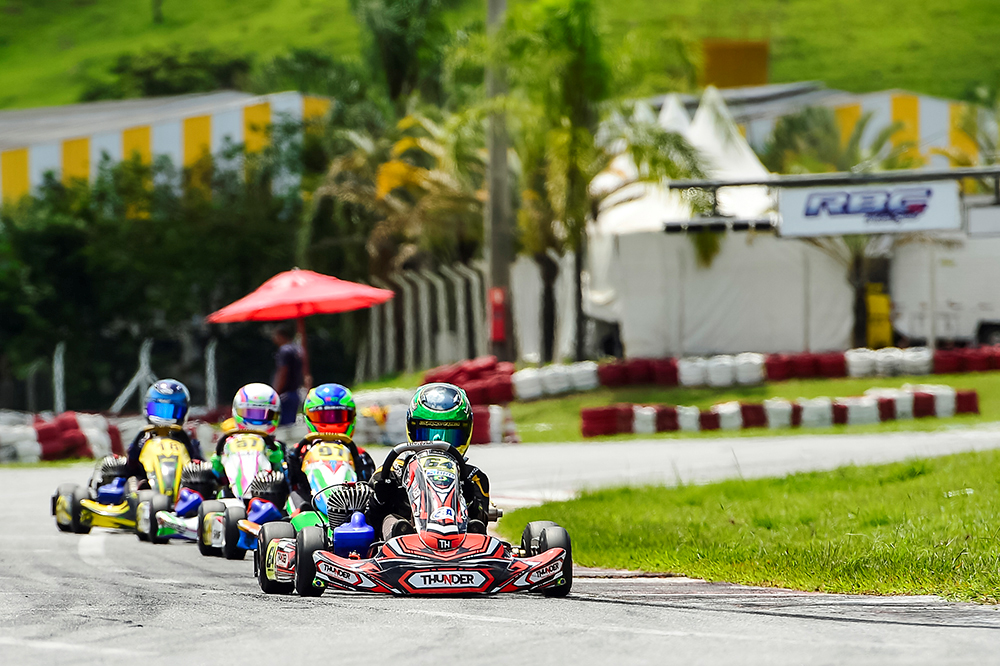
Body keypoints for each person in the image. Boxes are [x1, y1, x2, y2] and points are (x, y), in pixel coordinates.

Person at [369, 382, 491, 540]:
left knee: (476, 528)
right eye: (427, 432)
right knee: (391, 521)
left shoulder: (473, 477)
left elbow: (481, 520)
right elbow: (370, 522)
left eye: (449, 435)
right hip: (401, 547)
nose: (437, 442)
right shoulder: (391, 473)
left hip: (461, 544)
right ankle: (400, 535)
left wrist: (469, 501)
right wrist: (380, 499)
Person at [284, 383, 375, 511]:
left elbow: (369, 487)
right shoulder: (298, 452)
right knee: (293, 497)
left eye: (338, 416)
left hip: (354, 508)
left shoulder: (360, 455)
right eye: (323, 416)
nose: (331, 422)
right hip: (308, 507)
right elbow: (288, 485)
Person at [124, 379, 202, 482]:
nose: (164, 419)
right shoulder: (143, 439)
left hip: (183, 484)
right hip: (146, 483)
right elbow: (129, 467)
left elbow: (200, 468)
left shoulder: (187, 440)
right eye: (158, 410)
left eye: (171, 411)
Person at [210, 383, 285, 485]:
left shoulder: (279, 449)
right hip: (230, 496)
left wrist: (278, 464)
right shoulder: (226, 446)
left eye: (263, 415)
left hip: (271, 494)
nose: (256, 421)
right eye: (250, 413)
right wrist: (216, 469)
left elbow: (292, 480)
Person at [271, 323, 305, 434]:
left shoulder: (284, 351)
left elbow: (283, 372)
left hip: (285, 395)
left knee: (282, 429)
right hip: (295, 393)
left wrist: (276, 392)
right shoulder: (297, 350)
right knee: (291, 426)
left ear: (281, 336)